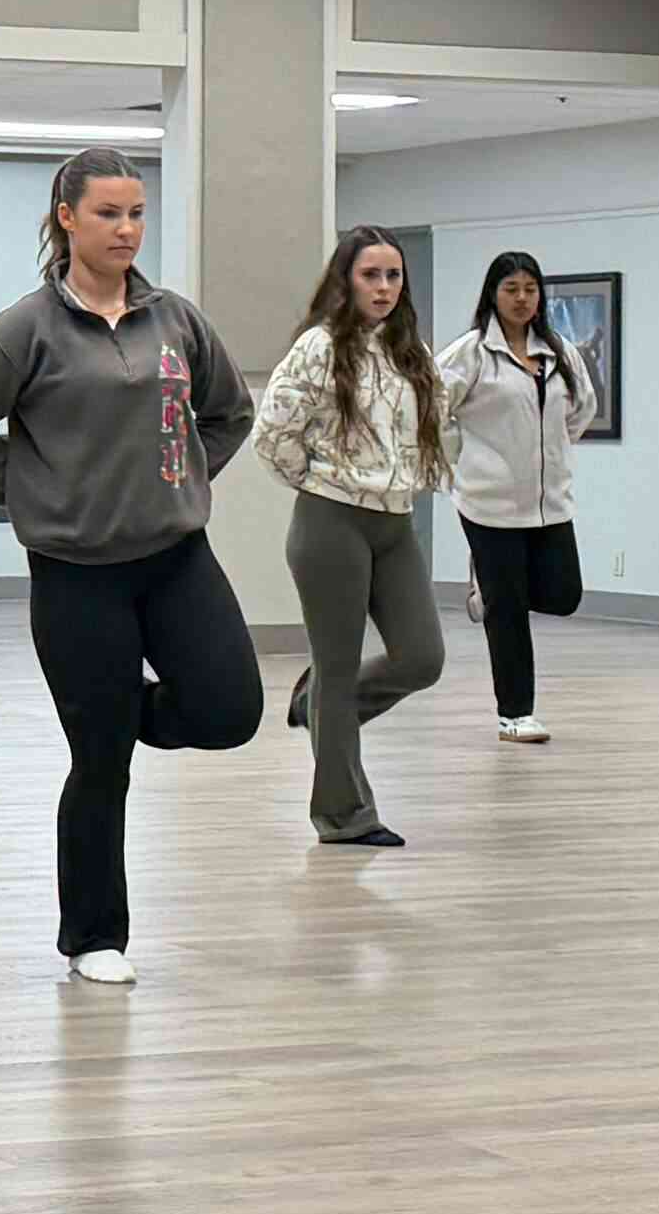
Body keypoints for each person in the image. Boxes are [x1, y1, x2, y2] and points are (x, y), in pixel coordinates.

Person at [0, 150, 259, 984]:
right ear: (67, 218)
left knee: (229, 711)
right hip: (76, 575)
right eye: (109, 213)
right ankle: (95, 938)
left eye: (137, 213)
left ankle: (122, 710)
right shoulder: (25, 329)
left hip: (178, 557)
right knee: (100, 762)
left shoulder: (176, 320)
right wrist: (33, 494)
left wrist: (184, 470)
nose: (126, 229)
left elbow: (228, 413)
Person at [252, 226, 451, 850]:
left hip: (394, 524)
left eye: (394, 276)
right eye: (372, 275)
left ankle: (319, 707)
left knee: (422, 657)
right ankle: (343, 815)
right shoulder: (318, 348)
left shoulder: (411, 350)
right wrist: (319, 482)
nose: (385, 288)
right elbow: (272, 435)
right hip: (330, 522)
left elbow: (433, 428)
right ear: (346, 280)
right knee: (338, 669)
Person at [439, 250, 593, 741]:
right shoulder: (469, 353)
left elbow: (581, 409)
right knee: (508, 613)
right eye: (511, 289)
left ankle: (491, 586)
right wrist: (465, 459)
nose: (522, 298)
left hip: (550, 502)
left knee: (563, 594)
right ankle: (515, 714)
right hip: (488, 502)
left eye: (530, 289)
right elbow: (432, 410)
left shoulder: (560, 351)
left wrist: (552, 451)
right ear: (493, 295)